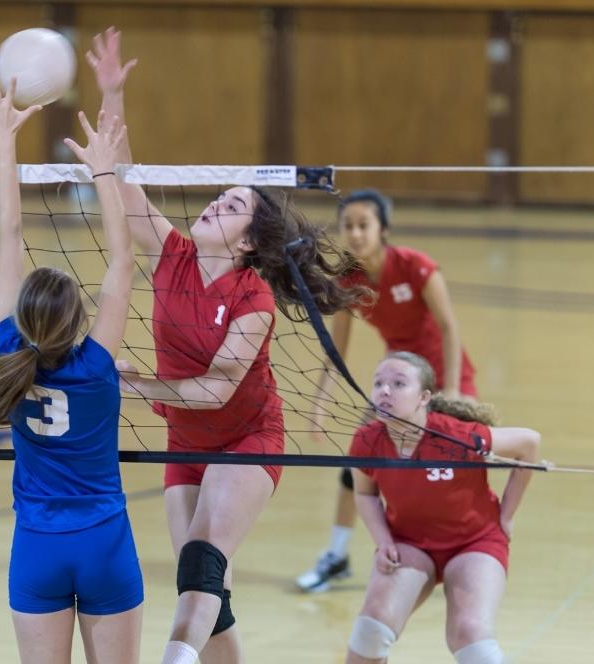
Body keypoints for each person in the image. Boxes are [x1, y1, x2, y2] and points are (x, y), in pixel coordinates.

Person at [85, 27, 363, 664]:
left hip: (245, 437)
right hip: (186, 441)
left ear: (245, 242)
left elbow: (214, 391)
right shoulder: (172, 254)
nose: (215, 203)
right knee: (209, 590)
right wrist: (112, 93)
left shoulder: (254, 300)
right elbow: (124, 178)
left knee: (202, 562)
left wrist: (133, 383)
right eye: (219, 196)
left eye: (232, 204)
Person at [0, 75, 141, 664]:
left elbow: (9, 232)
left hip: (36, 546)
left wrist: (4, 138)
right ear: (80, 320)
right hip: (105, 543)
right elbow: (124, 256)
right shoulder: (96, 365)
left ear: (24, 317)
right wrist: (102, 170)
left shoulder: (5, 349)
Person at [299, 189, 479, 593]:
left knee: (453, 464)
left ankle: (460, 552)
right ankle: (338, 554)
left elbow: (449, 328)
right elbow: (335, 350)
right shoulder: (348, 282)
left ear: (383, 230)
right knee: (357, 462)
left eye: (365, 225)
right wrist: (319, 403)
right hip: (398, 381)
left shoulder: (416, 267)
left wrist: (452, 391)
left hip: (443, 376)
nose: (356, 233)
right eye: (349, 226)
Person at [345, 352, 539, 664]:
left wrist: (507, 516)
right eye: (378, 383)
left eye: (398, 383)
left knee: (470, 635)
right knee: (370, 629)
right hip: (409, 543)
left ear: (424, 397)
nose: (385, 390)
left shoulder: (459, 437)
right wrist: (383, 541)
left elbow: (529, 443)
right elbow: (365, 494)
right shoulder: (366, 441)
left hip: (473, 543)